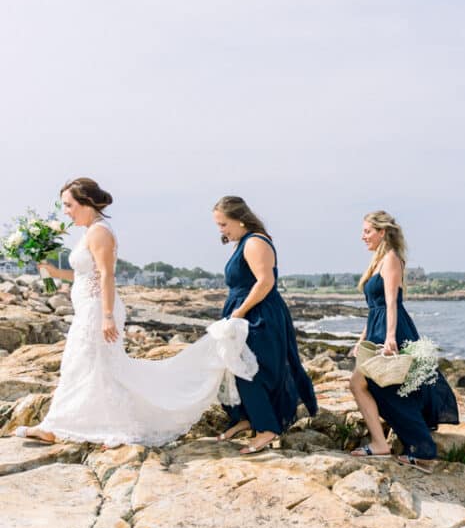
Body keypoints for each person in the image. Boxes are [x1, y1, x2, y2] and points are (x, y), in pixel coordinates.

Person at [15, 179, 257, 446]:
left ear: (86, 203)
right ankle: (67, 424)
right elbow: (85, 274)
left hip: (98, 310)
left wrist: (107, 316)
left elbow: (107, 275)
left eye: (69, 205)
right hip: (87, 308)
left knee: (86, 363)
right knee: (86, 365)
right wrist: (51, 272)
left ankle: (57, 426)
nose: (65, 211)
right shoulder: (89, 232)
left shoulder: (99, 232)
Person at [348, 211, 459, 472]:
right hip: (377, 329)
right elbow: (374, 307)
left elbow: (390, 303)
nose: (363, 236)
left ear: (382, 232)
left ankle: (417, 450)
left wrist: (389, 339)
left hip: (392, 332)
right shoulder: (376, 261)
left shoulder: (391, 260)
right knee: (370, 386)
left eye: (367, 231)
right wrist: (361, 339)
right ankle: (384, 443)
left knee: (382, 388)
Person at [213, 196, 318, 454]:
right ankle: (246, 418)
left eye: (224, 224)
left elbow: (265, 283)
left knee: (249, 369)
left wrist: (239, 312)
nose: (221, 230)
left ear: (239, 220)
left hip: (259, 314)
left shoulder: (255, 243)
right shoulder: (243, 243)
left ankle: (267, 428)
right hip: (245, 311)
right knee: (230, 366)